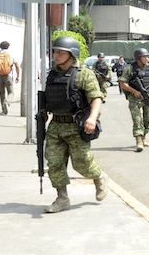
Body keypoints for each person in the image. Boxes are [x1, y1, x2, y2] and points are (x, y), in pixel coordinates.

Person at [42, 36, 109, 213]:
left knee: (82, 164)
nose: (56, 56)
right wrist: (43, 113)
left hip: (76, 127)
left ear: (71, 55)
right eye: (55, 52)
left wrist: (92, 118)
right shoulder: (53, 73)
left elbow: (96, 98)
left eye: (60, 53)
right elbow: (50, 97)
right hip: (55, 126)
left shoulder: (84, 73)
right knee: (54, 163)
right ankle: (62, 198)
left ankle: (100, 177)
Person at [0, 41, 21, 115]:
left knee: (2, 92)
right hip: (8, 76)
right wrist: (18, 76)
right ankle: (7, 101)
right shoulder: (11, 54)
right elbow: (17, 66)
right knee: (11, 92)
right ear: (8, 46)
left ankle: (4, 110)